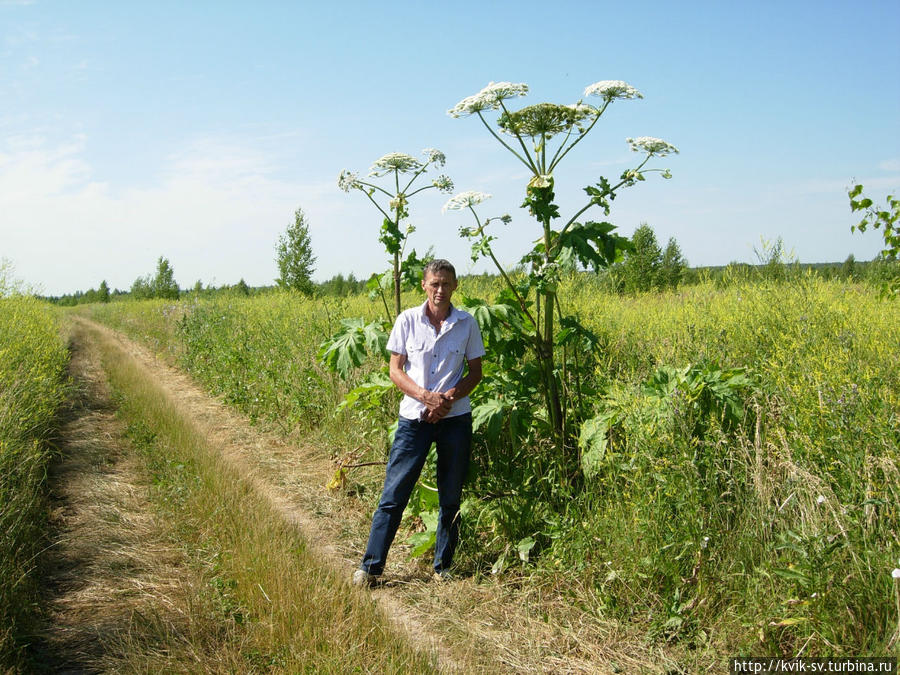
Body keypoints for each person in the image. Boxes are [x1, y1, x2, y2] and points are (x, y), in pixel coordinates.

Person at [352, 259, 484, 586]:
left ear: (455, 287)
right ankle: (370, 568)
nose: (440, 290)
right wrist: (426, 397)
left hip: (454, 419)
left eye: (446, 284)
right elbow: (395, 371)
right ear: (424, 285)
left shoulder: (467, 323)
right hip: (415, 419)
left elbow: (476, 372)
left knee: (450, 495)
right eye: (434, 283)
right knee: (395, 493)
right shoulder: (407, 320)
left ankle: (443, 568)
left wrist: (448, 399)